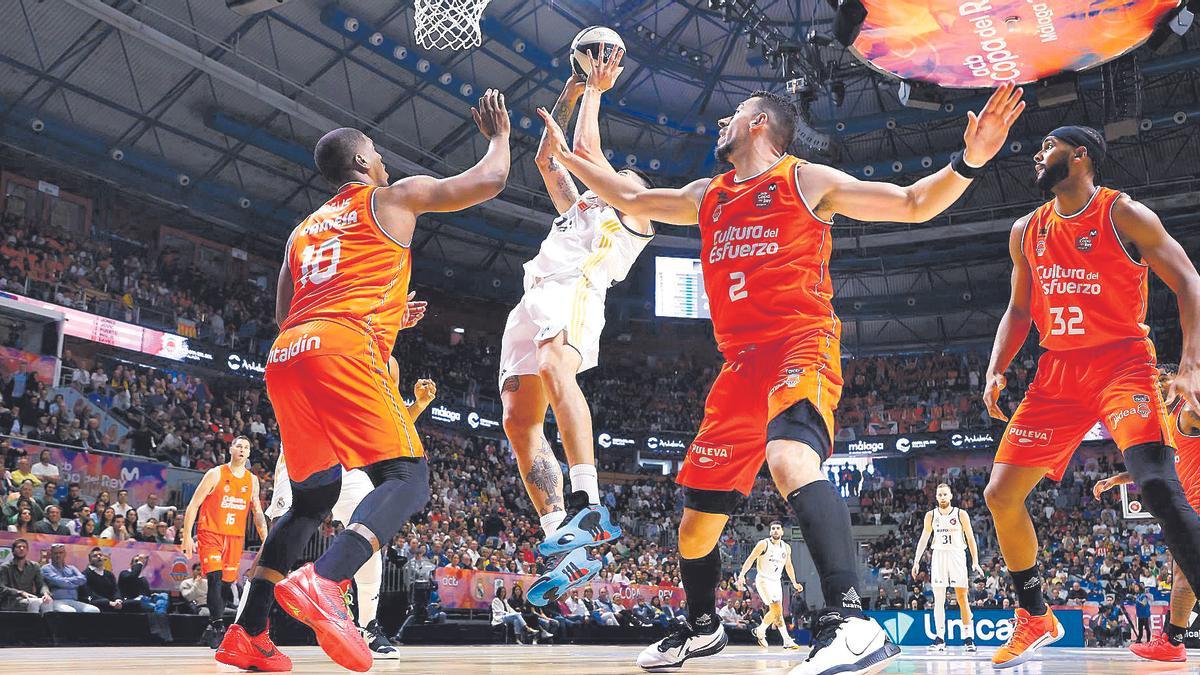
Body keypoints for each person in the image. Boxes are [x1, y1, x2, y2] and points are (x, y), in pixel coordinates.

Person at [538, 46, 1024, 673]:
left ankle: (850, 621)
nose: (720, 124)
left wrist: (970, 160)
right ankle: (701, 626)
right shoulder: (704, 195)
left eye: (731, 115)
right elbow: (628, 198)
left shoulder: (803, 179)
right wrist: (573, 144)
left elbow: (910, 203)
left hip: (800, 343)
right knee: (694, 527)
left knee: (790, 456)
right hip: (739, 366)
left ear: (760, 124)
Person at [216, 90, 511, 674]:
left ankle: (247, 632)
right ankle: (326, 581)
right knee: (409, 476)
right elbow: (487, 181)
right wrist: (499, 137)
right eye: (375, 152)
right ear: (360, 164)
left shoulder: (301, 231)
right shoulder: (391, 197)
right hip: (344, 347)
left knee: (311, 501)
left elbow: (290, 310)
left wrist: (379, 310)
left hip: (288, 354)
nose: (383, 160)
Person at [982, 125, 1200, 668]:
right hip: (1057, 374)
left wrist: (1191, 366)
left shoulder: (1121, 213)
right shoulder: (1025, 230)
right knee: (1000, 494)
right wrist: (995, 367)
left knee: (1154, 481)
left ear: (1079, 156)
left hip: (1122, 363)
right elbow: (1018, 310)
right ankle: (1034, 616)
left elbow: (1189, 282)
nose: (1037, 152)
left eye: (1047, 145)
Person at [501, 62, 649, 605]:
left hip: (576, 287)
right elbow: (547, 157)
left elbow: (585, 156)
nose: (618, 178)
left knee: (553, 365)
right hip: (532, 294)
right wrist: (571, 85)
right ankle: (565, 542)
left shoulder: (637, 213)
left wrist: (595, 91)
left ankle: (589, 499)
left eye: (623, 176)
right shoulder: (579, 207)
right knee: (518, 422)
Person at [261, 365, 436, 658]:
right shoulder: (336, 338)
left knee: (371, 534)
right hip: (305, 449)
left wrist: (417, 406)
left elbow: (387, 426)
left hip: (348, 462)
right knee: (280, 541)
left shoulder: (387, 360)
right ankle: (252, 627)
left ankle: (367, 627)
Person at [1094, 364, 1196, 662]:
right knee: (1184, 573)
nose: (1151, 392)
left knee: (1187, 572)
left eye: (1155, 385)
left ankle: (1173, 641)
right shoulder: (1165, 423)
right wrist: (1116, 479)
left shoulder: (1188, 409)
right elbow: (1156, 467)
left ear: (1167, 380)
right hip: (1188, 504)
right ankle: (1173, 642)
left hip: (1196, 503)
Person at [182, 435, 268, 648]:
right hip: (210, 532)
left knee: (227, 582)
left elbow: (257, 512)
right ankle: (219, 626)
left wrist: (266, 539)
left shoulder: (252, 480)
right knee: (214, 577)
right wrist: (186, 536)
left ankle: (211, 626)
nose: (242, 449)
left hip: (235, 536)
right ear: (231, 449)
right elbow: (193, 505)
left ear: (249, 454)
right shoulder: (216, 474)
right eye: (238, 445)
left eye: (246, 447)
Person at [911, 482, 985, 653]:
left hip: (957, 555)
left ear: (951, 496)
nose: (942, 497)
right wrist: (916, 561)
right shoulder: (930, 515)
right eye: (939, 495)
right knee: (939, 599)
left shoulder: (961, 514)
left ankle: (968, 638)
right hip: (939, 556)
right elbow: (924, 539)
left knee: (962, 598)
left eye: (945, 494)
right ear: (936, 497)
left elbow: (971, 539)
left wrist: (975, 561)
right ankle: (939, 639)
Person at [735, 520, 800, 650]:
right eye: (773, 528)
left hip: (776, 581)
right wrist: (742, 575)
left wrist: (794, 582)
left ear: (782, 531)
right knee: (776, 608)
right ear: (770, 531)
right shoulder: (763, 544)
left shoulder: (786, 547)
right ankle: (786, 640)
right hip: (763, 580)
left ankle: (760, 631)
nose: (775, 530)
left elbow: (788, 565)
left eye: (778, 528)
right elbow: (751, 558)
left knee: (777, 612)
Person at [41, 542, 98, 613]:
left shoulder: (72, 568)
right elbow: (58, 581)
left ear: (65, 554)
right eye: (55, 553)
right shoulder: (46, 568)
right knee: (70, 611)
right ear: (51, 554)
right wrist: (74, 583)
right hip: (57, 601)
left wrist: (64, 583)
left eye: (61, 553)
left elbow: (83, 579)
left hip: (73, 601)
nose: (58, 555)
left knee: (93, 610)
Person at [0, 538, 52, 613]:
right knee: (34, 603)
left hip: (30, 597)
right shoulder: (5, 567)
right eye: (19, 547)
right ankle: (31, 625)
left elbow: (41, 584)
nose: (22, 549)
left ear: (27, 550)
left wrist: (45, 593)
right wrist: (20, 592)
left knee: (47, 602)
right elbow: (1, 588)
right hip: (11, 600)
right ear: (13, 550)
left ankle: (44, 625)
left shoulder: (34, 566)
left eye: (24, 547)